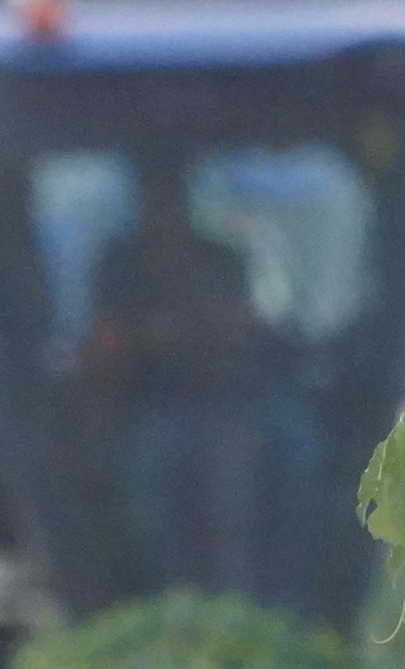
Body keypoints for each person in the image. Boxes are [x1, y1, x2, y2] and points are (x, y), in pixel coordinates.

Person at [82, 160, 276, 595]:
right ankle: (165, 596)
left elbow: (244, 329)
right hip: (148, 411)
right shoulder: (120, 264)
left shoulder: (222, 259)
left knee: (263, 482)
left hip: (231, 407)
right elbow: (107, 342)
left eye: (171, 197)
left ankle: (247, 599)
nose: (163, 208)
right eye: (153, 197)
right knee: (153, 508)